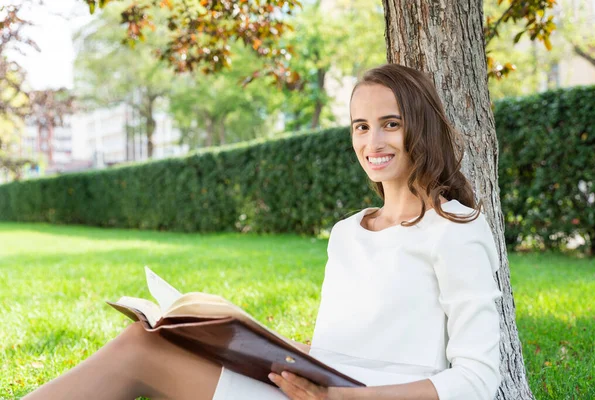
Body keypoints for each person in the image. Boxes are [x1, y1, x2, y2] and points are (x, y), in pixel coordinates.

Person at [23, 63, 503, 400]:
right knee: (148, 341)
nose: (371, 142)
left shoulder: (456, 229)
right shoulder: (347, 232)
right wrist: (253, 343)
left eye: (390, 124)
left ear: (420, 127)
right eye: (360, 126)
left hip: (366, 399)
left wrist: (354, 398)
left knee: (139, 353)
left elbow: (479, 380)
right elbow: (341, 346)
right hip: (311, 389)